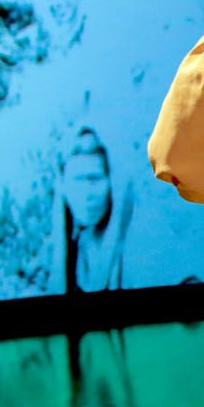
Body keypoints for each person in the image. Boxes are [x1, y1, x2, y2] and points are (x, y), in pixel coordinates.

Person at [47, 126, 133, 293]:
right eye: (78, 180)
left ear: (112, 182)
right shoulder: (79, 246)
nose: (87, 194)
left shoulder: (137, 250)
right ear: (63, 186)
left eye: (95, 179)